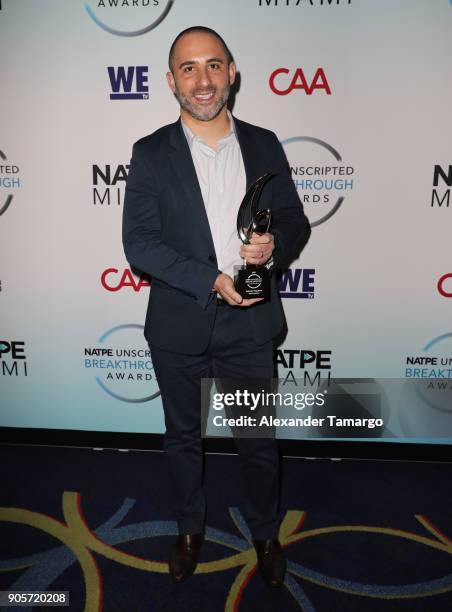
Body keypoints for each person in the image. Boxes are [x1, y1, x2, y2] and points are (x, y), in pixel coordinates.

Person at [122, 26, 309, 587]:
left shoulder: (265, 143)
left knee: (257, 440)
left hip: (250, 323)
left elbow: (295, 222)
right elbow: (140, 244)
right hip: (180, 321)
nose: (202, 81)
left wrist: (275, 249)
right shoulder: (150, 152)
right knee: (182, 437)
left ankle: (265, 532)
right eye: (188, 68)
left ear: (231, 72)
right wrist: (210, 279)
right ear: (171, 80)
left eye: (212, 66)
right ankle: (188, 528)